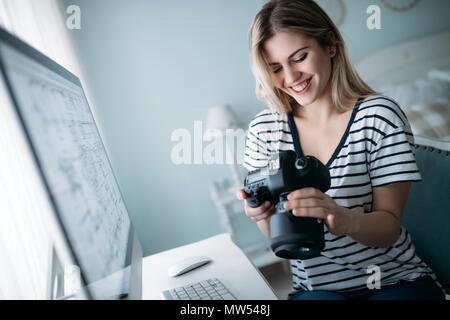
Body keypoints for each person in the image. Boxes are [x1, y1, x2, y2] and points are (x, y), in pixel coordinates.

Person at [236, 0, 445, 300]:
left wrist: (343, 219)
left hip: (395, 281)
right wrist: (260, 217)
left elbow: (388, 226)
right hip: (317, 290)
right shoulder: (264, 132)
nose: (291, 78)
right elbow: (282, 240)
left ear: (330, 45)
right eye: (276, 68)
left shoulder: (379, 117)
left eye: (300, 57)